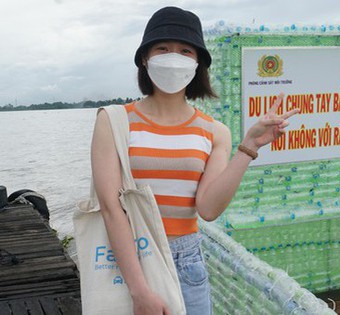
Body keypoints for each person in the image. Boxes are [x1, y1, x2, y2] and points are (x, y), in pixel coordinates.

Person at [90, 6, 298, 314]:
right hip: (129, 264)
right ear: (146, 58)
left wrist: (248, 147)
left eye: (185, 50)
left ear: (197, 62)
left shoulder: (215, 132)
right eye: (162, 48)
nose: (173, 57)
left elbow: (208, 208)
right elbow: (110, 208)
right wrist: (140, 290)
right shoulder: (113, 120)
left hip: (188, 265)